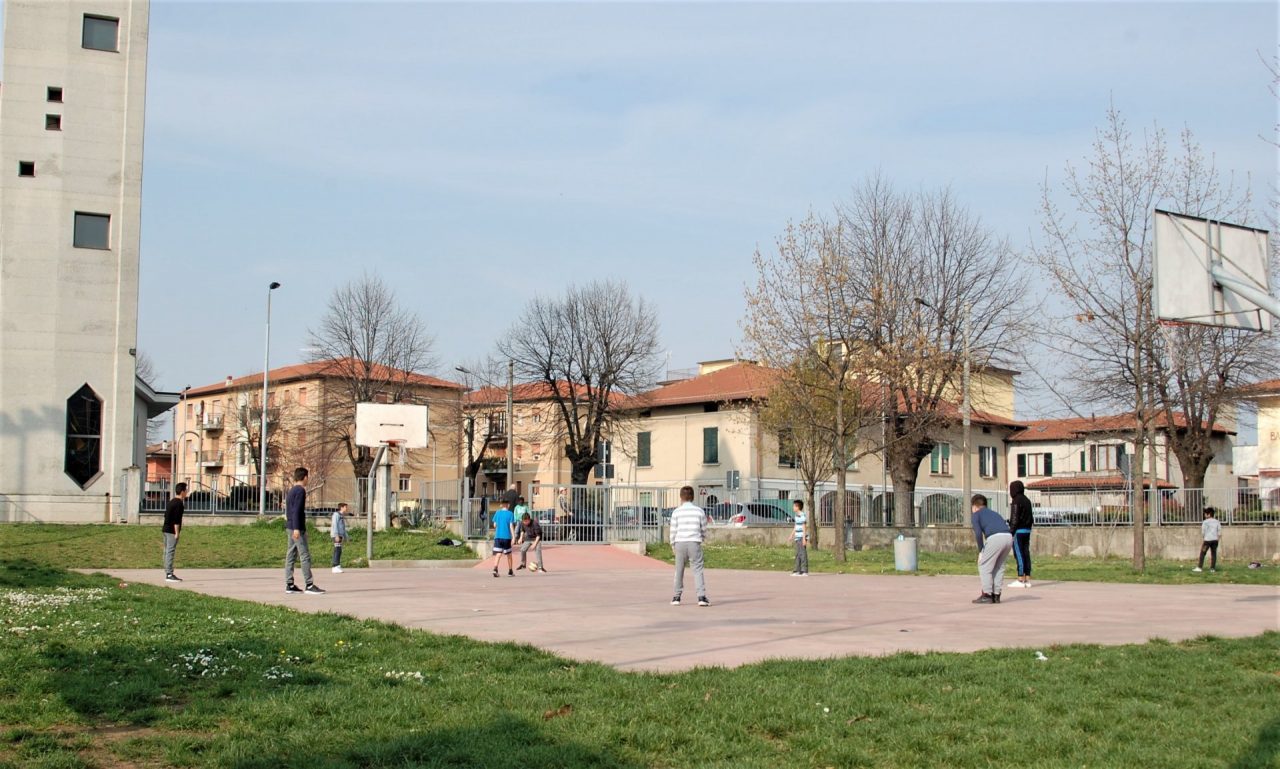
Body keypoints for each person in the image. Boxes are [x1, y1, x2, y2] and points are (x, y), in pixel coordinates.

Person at [284, 467, 324, 595]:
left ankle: (289, 584)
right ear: (305, 477)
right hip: (295, 528)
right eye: (308, 477)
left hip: (290, 526)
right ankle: (309, 584)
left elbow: (289, 510)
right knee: (304, 555)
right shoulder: (300, 491)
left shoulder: (291, 491)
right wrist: (298, 528)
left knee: (291, 555)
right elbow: (297, 511)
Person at [669, 485, 710, 606]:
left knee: (679, 570)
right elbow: (703, 528)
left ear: (681, 497)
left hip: (680, 542)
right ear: (693, 497)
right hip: (694, 542)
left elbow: (673, 530)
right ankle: (701, 597)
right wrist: (701, 539)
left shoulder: (676, 512)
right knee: (697, 569)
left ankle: (676, 597)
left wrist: (672, 544)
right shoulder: (699, 511)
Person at [970, 493, 1012, 604]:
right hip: (1008, 537)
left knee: (984, 565)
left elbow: (978, 534)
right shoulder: (994, 513)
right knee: (999, 566)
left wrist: (981, 551)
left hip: (995, 538)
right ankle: (996, 595)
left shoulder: (976, 515)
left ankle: (987, 594)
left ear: (974, 506)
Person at [1008, 480, 1034, 588]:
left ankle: (1020, 578)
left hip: (1018, 531)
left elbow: (1015, 518)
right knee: (1026, 553)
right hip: (1027, 530)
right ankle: (1027, 578)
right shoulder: (1027, 500)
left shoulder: (1016, 500)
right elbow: (1031, 517)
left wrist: (1011, 531)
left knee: (1018, 554)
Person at [162, 482, 188, 582]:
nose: (186, 492)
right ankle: (169, 574)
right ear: (182, 492)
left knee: (166, 551)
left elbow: (166, 516)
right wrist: (177, 533)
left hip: (165, 529)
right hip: (171, 531)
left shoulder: (171, 501)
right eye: (186, 490)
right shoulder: (179, 503)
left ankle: (167, 571)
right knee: (170, 551)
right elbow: (177, 519)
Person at [490, 497, 517, 577]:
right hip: (506, 537)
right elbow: (511, 525)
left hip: (498, 537)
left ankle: (495, 568)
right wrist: (514, 537)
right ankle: (510, 571)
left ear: (501, 505)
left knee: (498, 554)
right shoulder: (510, 514)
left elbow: (494, 525)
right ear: (508, 505)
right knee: (509, 554)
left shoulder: (497, 513)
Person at [1193, 507, 1221, 573]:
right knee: (1213, 554)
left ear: (1208, 514)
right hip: (1215, 540)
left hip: (1207, 540)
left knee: (1203, 553)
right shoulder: (1217, 521)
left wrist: (1204, 538)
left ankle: (1199, 567)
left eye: (1205, 514)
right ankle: (1212, 568)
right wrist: (1217, 539)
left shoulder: (1205, 522)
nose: (1204, 515)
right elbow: (1219, 532)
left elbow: (1203, 532)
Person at [790, 500, 809, 576]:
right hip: (797, 537)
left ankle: (804, 571)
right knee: (798, 554)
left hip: (802, 537)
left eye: (794, 506)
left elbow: (804, 527)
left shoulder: (802, 515)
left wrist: (804, 539)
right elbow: (796, 526)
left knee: (803, 554)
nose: (793, 507)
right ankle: (797, 570)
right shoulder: (796, 515)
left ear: (798, 507)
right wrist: (791, 535)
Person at [331, 503, 349, 574]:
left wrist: (346, 537)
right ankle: (335, 566)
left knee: (339, 550)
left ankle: (337, 566)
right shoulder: (336, 515)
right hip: (336, 535)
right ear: (341, 507)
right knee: (337, 550)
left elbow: (343, 528)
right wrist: (336, 535)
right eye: (345, 507)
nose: (347, 509)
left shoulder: (341, 516)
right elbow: (334, 525)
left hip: (340, 535)